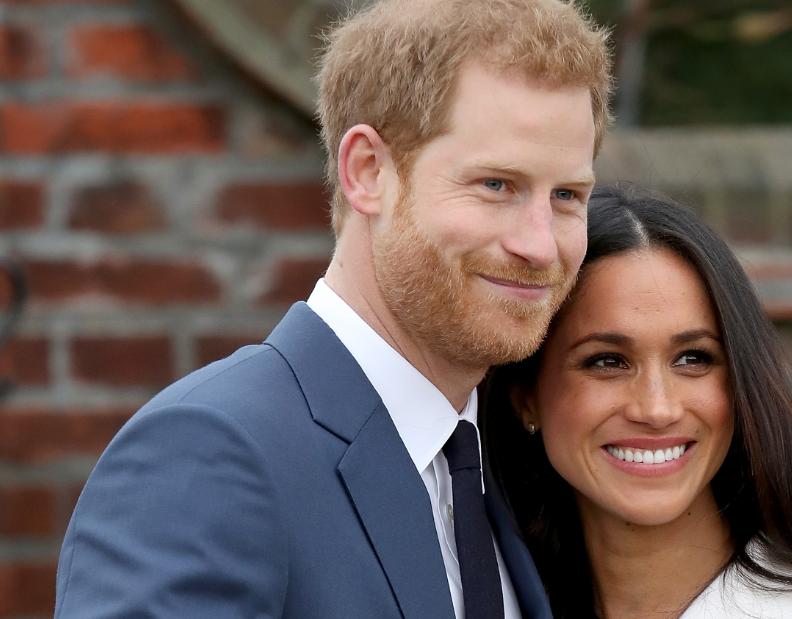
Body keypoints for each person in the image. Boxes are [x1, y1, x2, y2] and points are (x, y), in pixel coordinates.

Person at [54, 1, 611, 617]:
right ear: (368, 171)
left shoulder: (505, 464)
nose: (538, 244)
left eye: (566, 195)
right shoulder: (208, 455)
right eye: (496, 186)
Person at [484, 184, 792, 619]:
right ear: (527, 397)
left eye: (693, 358)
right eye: (607, 362)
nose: (657, 409)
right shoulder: (476, 598)